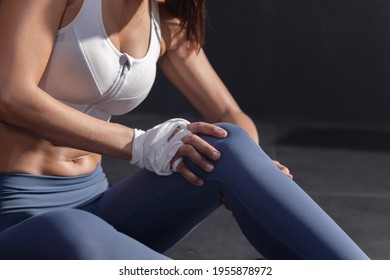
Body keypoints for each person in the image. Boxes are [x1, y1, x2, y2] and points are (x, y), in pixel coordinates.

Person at [0, 0, 369, 260]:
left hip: (98, 205)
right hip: (15, 218)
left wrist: (252, 170)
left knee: (229, 146)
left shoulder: (163, 20)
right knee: (70, 229)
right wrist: (140, 143)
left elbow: (228, 111)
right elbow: (11, 95)